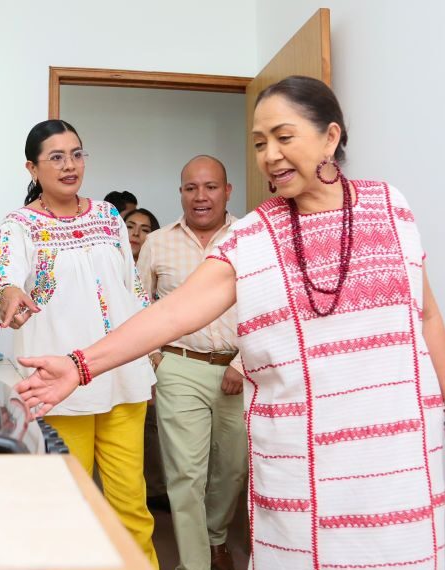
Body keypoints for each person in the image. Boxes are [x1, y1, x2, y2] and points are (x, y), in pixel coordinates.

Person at [15, 77, 445, 570]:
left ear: (330, 137)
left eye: (284, 137)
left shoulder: (392, 207)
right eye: (259, 144)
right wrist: (80, 365)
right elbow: (172, 312)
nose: (270, 155)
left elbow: (425, 314)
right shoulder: (254, 235)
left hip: (397, 456)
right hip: (301, 470)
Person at [0, 119, 160, 568]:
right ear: (32, 168)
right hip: (59, 389)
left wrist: (149, 345)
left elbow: (131, 286)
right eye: (56, 157)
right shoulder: (19, 225)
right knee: (66, 506)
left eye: (77, 154)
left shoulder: (108, 216)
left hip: (119, 376)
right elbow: (1, 279)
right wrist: (10, 296)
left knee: (131, 508)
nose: (69, 165)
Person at [136, 155, 247, 570]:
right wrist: (155, 359)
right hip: (179, 365)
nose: (201, 197)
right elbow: (138, 304)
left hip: (239, 368)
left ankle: (216, 536)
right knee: (185, 474)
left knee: (232, 469)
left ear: (227, 190)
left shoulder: (250, 238)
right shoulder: (157, 243)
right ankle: (196, 562)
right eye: (191, 188)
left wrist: (244, 362)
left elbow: (268, 305)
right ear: (181, 192)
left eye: (210, 187)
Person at [122, 207, 166, 513]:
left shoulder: (159, 270)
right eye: (131, 226)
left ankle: (154, 490)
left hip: (151, 356)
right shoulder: (110, 264)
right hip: (112, 358)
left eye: (145, 229)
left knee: (150, 427)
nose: (136, 234)